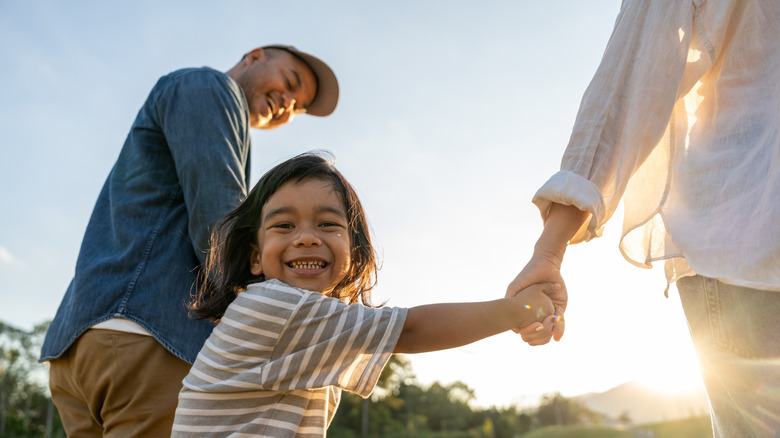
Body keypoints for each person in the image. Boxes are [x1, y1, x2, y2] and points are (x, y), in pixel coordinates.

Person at [507, 1, 779, 437]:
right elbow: (633, 82)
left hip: (742, 234)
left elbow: (631, 80)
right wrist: (550, 250)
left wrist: (550, 250)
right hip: (747, 241)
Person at [39, 45, 340, 437]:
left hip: (79, 347)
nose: (287, 104)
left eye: (296, 107)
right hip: (149, 337)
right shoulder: (209, 87)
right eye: (290, 82)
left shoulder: (192, 104)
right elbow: (218, 222)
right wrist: (280, 317)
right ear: (255, 56)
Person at [171, 152, 557, 437]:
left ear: (353, 253)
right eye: (284, 225)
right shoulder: (273, 306)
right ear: (255, 256)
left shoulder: (300, 321)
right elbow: (412, 331)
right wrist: (521, 310)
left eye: (327, 223)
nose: (306, 237)